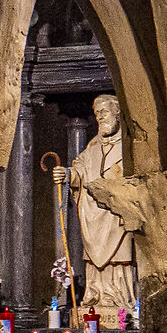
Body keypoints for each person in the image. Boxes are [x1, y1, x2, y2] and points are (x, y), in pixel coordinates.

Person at [69, 94, 140, 318]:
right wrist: (68, 175)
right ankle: (95, 295)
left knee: (119, 259)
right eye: (97, 114)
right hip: (93, 212)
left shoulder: (130, 146)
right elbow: (79, 169)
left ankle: (119, 299)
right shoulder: (92, 146)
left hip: (116, 215)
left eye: (105, 112)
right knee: (94, 260)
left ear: (118, 113)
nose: (100, 117)